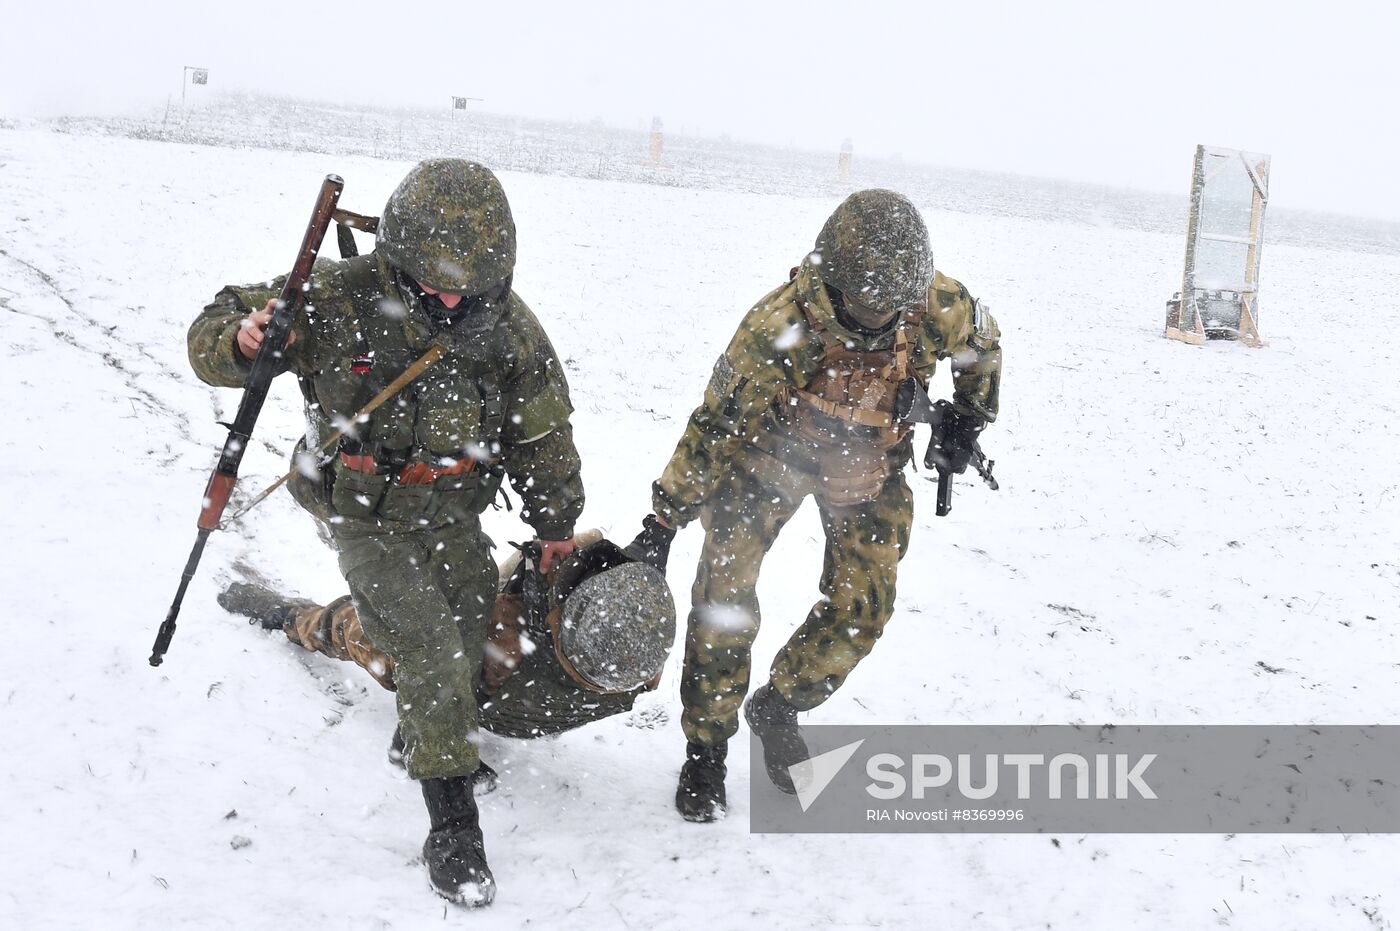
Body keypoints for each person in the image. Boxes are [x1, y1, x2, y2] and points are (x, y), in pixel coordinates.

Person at [187, 159, 584, 906]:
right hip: (365, 514)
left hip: (453, 514)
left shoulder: (507, 328)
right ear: (397, 256)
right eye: (432, 281)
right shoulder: (338, 296)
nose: (450, 297)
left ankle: (420, 731)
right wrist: (241, 342)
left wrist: (557, 518)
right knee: (430, 647)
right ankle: (452, 818)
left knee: (467, 637)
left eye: (468, 285)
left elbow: (542, 431)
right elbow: (219, 323)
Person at [622, 189, 1002, 822]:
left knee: (863, 609)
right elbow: (715, 425)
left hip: (869, 464)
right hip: (766, 459)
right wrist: (664, 518)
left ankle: (781, 705)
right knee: (724, 598)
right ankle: (707, 750)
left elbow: (982, 349)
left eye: (890, 307)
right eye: (862, 305)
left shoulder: (937, 305)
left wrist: (967, 421)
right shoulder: (779, 325)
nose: (877, 316)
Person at [217, 530, 676, 776]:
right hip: (490, 665)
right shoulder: (508, 633)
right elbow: (434, 667)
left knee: (432, 661)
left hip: (510, 692)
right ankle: (284, 614)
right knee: (354, 631)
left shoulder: (636, 638)